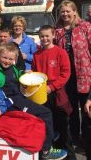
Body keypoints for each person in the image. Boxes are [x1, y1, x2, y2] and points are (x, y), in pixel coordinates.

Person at [0, 43, 67, 160]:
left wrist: (25, 74)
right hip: (8, 102)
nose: (7, 61)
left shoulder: (14, 69)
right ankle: (46, 150)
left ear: (15, 59)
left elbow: (18, 78)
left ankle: (48, 134)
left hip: (18, 97)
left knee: (44, 109)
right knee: (45, 113)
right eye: (4, 57)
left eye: (10, 59)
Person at [54, 0, 91, 152]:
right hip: (66, 77)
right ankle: (74, 138)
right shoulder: (57, 30)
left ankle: (89, 141)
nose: (65, 14)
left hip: (86, 74)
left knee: (87, 108)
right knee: (71, 109)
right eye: (62, 11)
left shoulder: (85, 26)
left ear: (75, 11)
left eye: (68, 11)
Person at [32, 25, 75, 159]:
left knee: (62, 127)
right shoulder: (37, 54)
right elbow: (34, 72)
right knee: (47, 127)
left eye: (47, 35)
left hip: (57, 94)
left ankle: (70, 156)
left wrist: (52, 87)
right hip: (41, 94)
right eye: (42, 36)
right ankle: (52, 153)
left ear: (53, 36)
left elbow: (66, 74)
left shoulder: (60, 52)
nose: (44, 38)